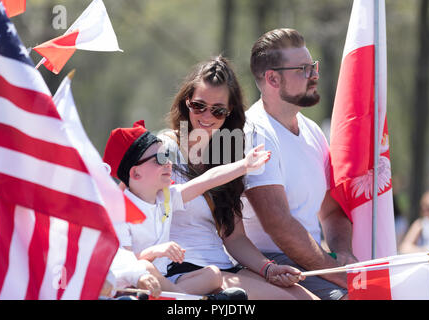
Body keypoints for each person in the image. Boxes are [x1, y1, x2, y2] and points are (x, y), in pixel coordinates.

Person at [160, 55, 318, 300]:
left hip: (225, 266)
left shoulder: (227, 157)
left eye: (218, 110)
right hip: (183, 273)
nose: (207, 116)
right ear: (186, 102)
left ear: (229, 112)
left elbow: (234, 238)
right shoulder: (163, 149)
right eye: (199, 106)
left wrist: (269, 269)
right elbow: (143, 211)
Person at [241, 28, 358, 300]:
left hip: (309, 262)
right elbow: (279, 224)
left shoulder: (313, 130)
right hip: (268, 264)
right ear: (272, 78)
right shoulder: (253, 131)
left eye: (313, 66)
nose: (314, 75)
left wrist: (344, 252)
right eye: (303, 69)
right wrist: (338, 273)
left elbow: (331, 212)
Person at [102, 119, 269, 298]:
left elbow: (206, 180)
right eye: (159, 158)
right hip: (129, 284)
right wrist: (155, 252)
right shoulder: (120, 210)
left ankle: (171, 298)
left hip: (162, 281)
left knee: (213, 274)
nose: (168, 163)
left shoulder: (165, 198)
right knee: (146, 267)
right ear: (136, 173)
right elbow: (126, 262)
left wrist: (244, 165)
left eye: (167, 155)